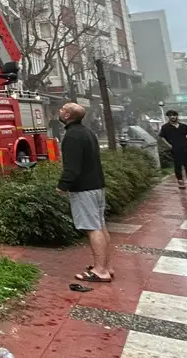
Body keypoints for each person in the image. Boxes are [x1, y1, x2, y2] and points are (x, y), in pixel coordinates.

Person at [57, 102, 111, 283]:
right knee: (100, 226)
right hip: (97, 185)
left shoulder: (71, 136)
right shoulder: (88, 132)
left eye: (62, 109)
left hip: (84, 189)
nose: (60, 110)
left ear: (67, 116)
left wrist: (62, 185)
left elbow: (72, 167)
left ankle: (100, 271)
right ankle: (105, 266)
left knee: (92, 228)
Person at [159, 110, 187, 189]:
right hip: (175, 148)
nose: (172, 117)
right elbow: (162, 137)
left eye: (174, 115)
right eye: (170, 115)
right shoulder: (165, 127)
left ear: (177, 116)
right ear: (168, 117)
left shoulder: (183, 126)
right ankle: (180, 180)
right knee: (177, 165)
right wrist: (169, 145)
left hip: (186, 148)